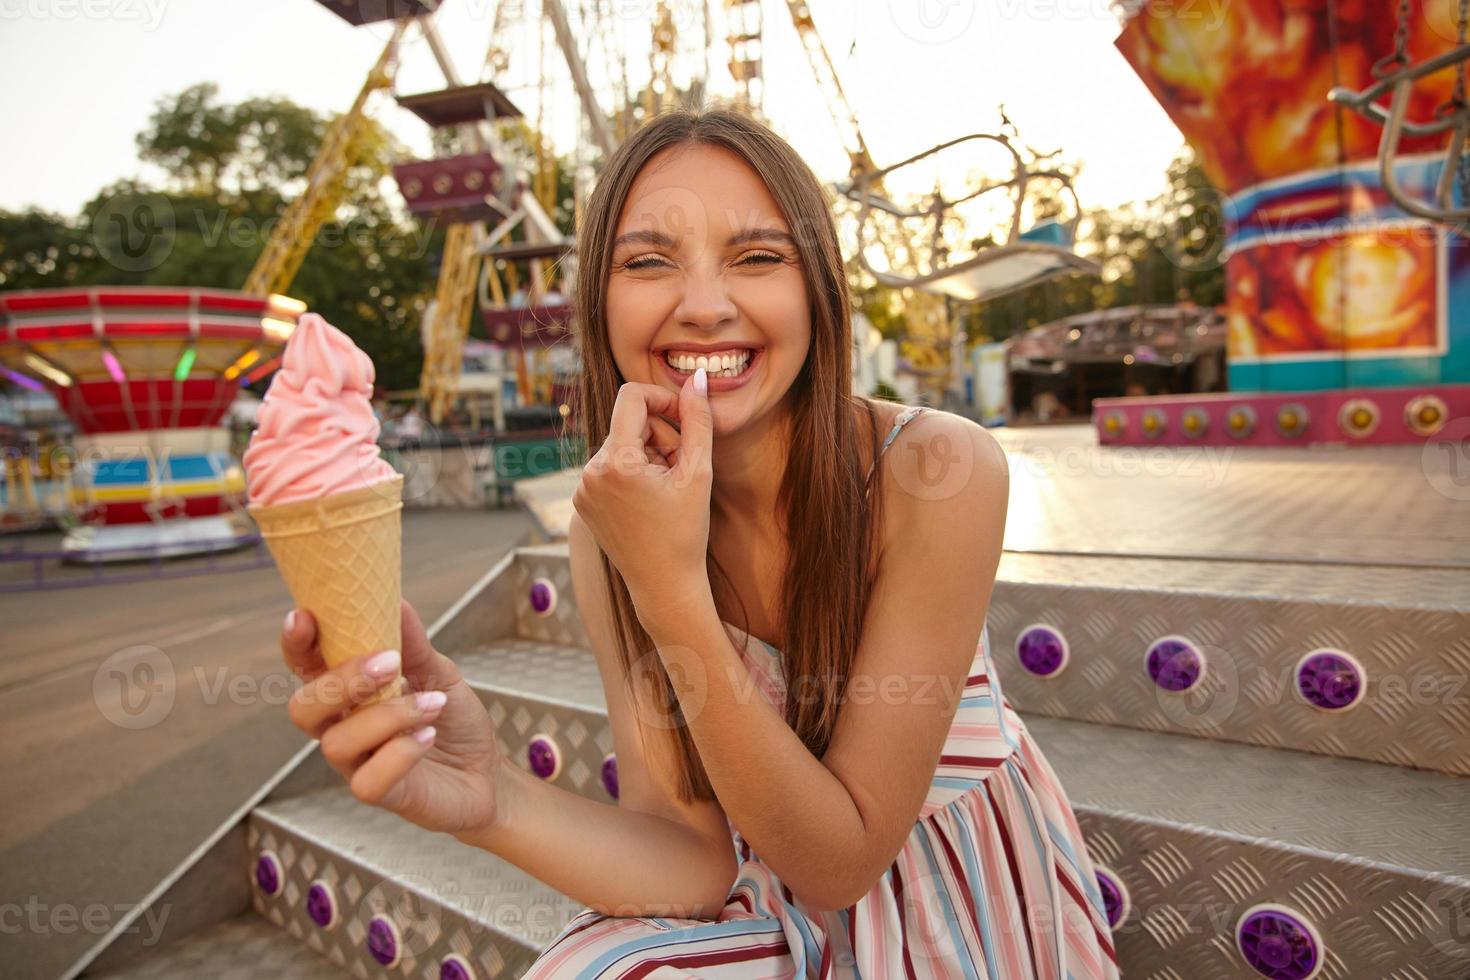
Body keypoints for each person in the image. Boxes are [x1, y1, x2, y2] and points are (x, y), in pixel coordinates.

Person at [280, 106, 1119, 978]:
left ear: (818, 289)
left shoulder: (938, 469)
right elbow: (693, 857)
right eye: (648, 262)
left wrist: (667, 582)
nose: (707, 307)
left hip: (968, 907)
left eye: (758, 258)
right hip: (774, 903)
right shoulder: (606, 536)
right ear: (599, 305)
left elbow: (842, 862)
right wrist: (489, 797)